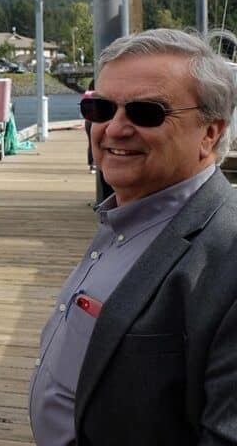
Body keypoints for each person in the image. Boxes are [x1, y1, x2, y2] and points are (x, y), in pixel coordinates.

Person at [29, 28, 237, 446]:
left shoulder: (227, 252)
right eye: (100, 108)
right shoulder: (125, 217)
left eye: (147, 113)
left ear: (209, 134)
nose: (114, 128)